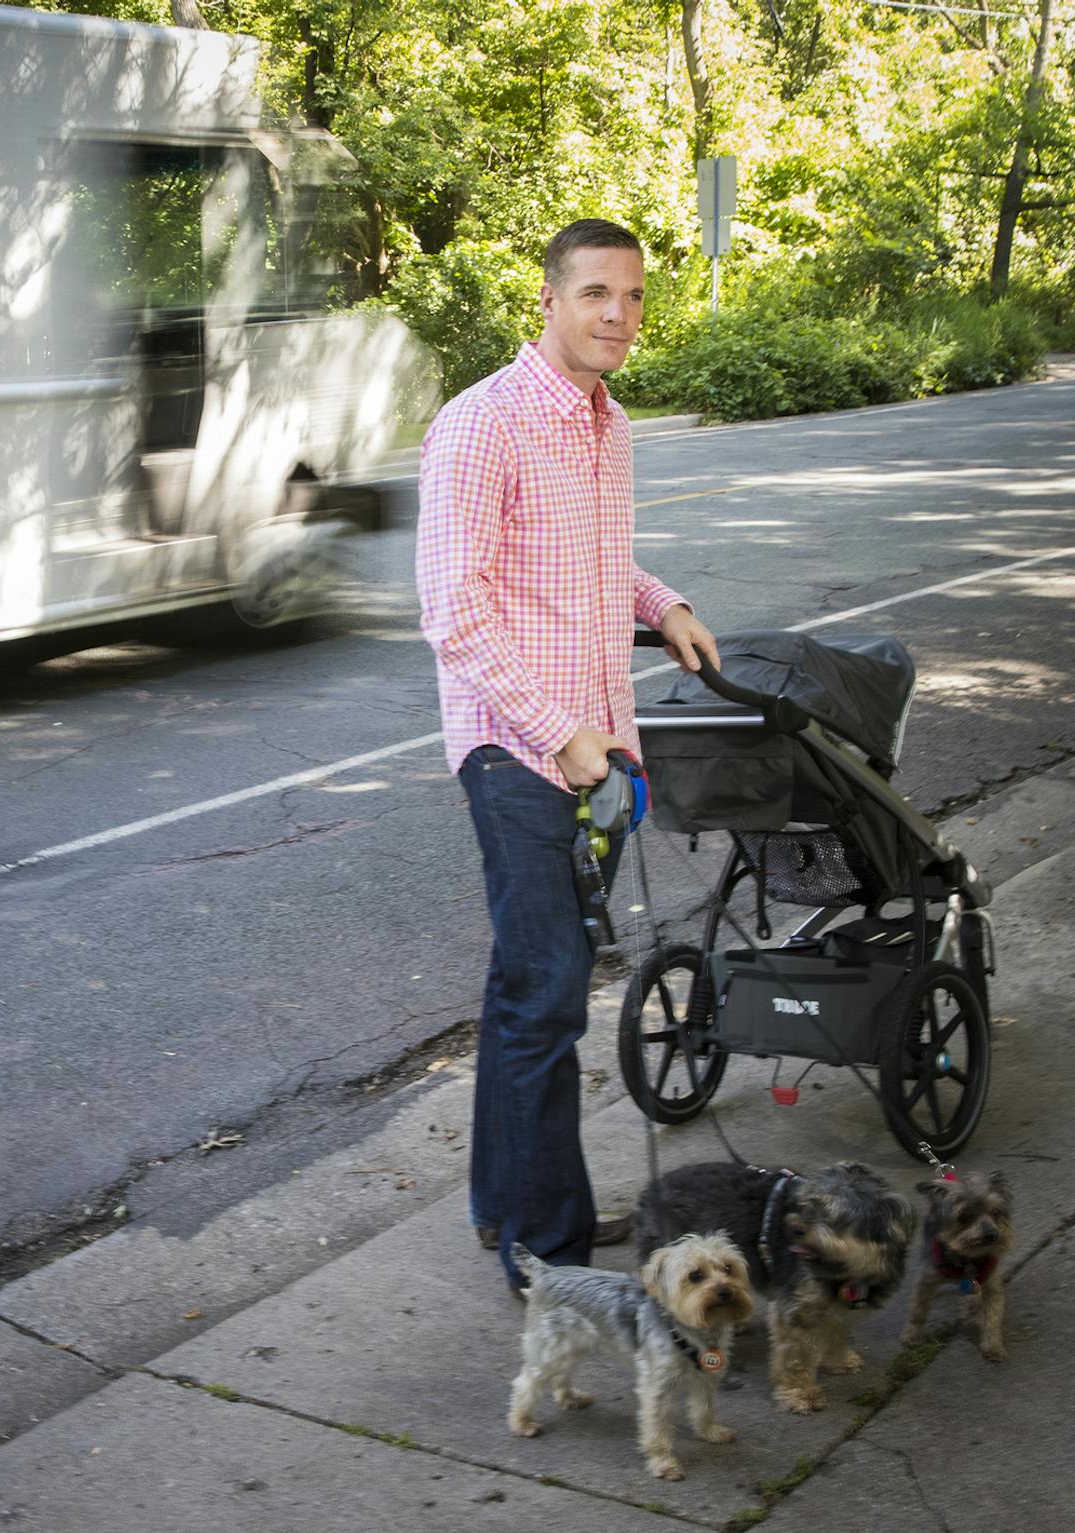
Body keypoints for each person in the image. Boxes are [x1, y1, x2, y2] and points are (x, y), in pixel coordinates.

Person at [415, 217, 719, 1297]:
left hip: (598, 748)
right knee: (547, 995)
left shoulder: (609, 424)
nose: (619, 317)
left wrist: (662, 602)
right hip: (517, 751)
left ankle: (506, 1205)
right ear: (548, 299)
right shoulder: (480, 426)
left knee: (524, 990)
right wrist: (560, 734)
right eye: (597, 294)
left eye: (633, 298)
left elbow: (591, 557)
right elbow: (455, 612)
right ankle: (548, 1252)